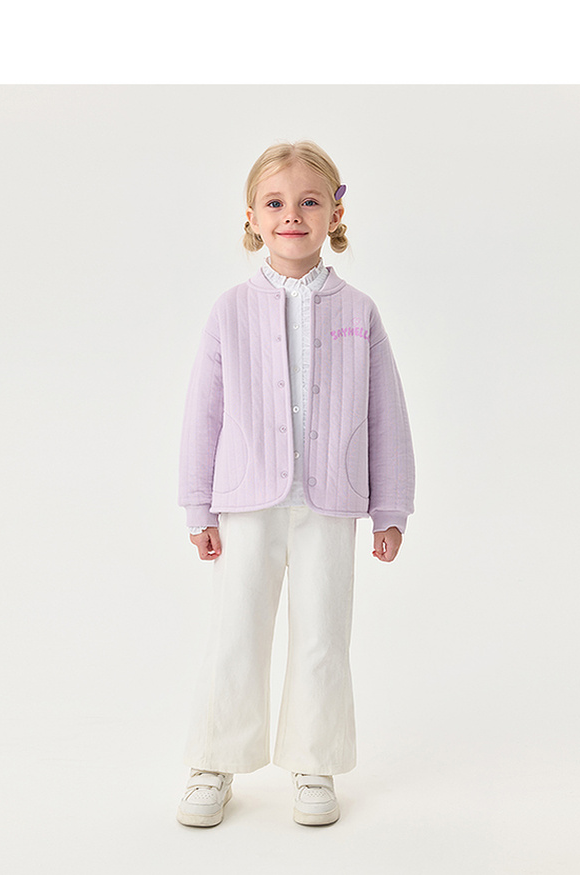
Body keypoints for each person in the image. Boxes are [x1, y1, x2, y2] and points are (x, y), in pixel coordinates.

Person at [176, 140, 415, 827]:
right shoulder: (230, 310)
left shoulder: (359, 311)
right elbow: (204, 413)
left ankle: (315, 762)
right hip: (246, 499)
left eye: (309, 201)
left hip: (330, 501)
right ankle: (213, 762)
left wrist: (391, 507)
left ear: (334, 212)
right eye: (275, 202)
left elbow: (386, 414)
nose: (291, 215)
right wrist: (198, 506)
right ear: (251, 216)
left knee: (322, 635)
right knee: (236, 631)